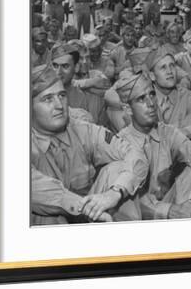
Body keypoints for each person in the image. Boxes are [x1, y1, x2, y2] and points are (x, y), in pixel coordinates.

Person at [30, 64, 148, 225]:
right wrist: (83, 206)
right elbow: (31, 185)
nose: (59, 105)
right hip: (45, 232)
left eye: (62, 95)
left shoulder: (82, 130)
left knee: (119, 170)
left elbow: (134, 152)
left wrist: (114, 194)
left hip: (90, 219)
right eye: (47, 99)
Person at [115, 73, 191, 219]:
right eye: (141, 99)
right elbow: (130, 200)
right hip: (140, 219)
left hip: (175, 209)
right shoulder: (120, 144)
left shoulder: (166, 132)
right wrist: (169, 211)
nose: (151, 103)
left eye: (152, 94)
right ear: (128, 109)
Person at [146, 47, 191, 142]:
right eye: (163, 67)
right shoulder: (144, 100)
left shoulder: (186, 95)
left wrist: (183, 132)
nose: (169, 71)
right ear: (152, 76)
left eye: (172, 65)